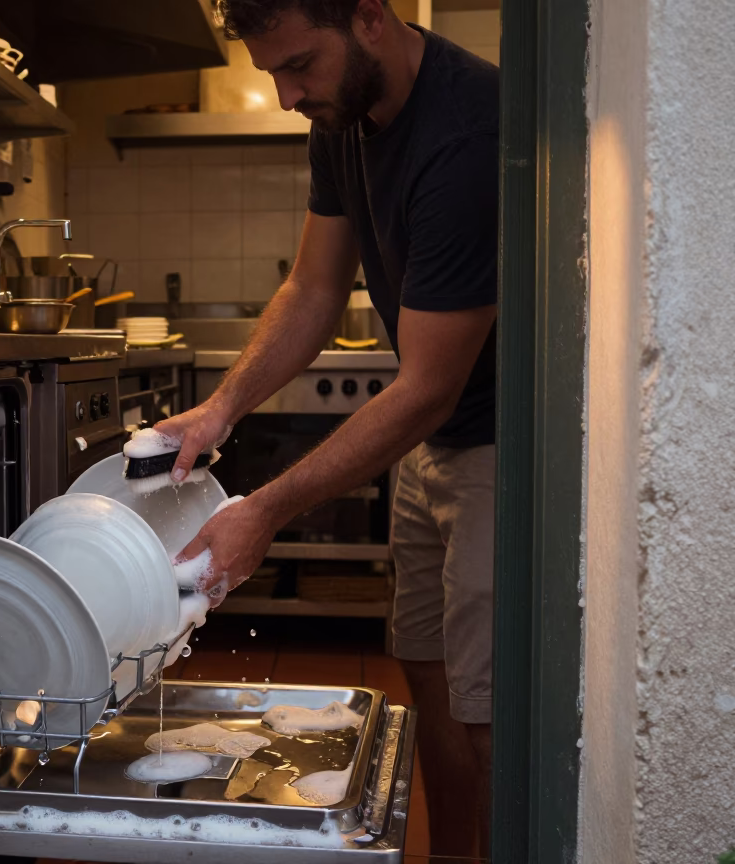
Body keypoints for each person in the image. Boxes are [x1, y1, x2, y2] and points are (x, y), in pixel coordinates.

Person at [154, 0, 499, 857]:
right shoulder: (340, 118)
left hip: (500, 445)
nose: (285, 94)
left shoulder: (468, 136)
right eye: (273, 71)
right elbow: (313, 289)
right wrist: (220, 407)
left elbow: (424, 387)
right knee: (425, 667)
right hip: (434, 444)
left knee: (488, 705)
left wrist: (263, 511)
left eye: (300, 66)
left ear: (371, 20)